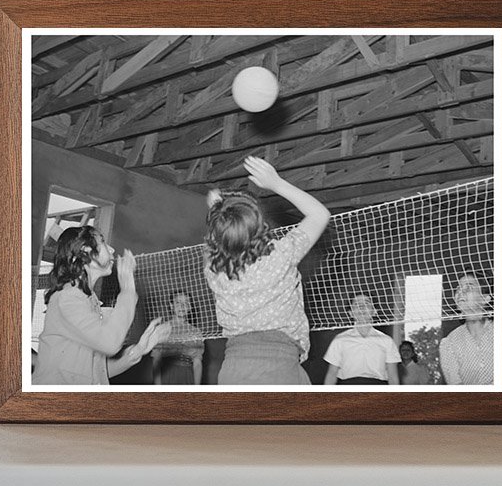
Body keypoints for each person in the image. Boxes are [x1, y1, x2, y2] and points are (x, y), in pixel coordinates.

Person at [203, 156, 330, 385]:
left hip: (232, 367)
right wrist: (276, 183)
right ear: (260, 226)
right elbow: (320, 214)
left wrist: (217, 209)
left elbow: (218, 238)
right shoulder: (280, 255)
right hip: (278, 364)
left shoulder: (214, 271)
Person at [33, 226, 169, 385]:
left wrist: (138, 351)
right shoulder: (67, 298)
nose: (111, 249)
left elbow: (98, 373)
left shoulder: (90, 302)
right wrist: (128, 290)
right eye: (103, 242)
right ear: (86, 251)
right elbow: (110, 343)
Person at [322, 293, 400, 386]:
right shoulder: (340, 339)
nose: (361, 307)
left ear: (374, 311)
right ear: (350, 313)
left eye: (366, 303)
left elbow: (393, 376)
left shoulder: (387, 341)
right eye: (356, 304)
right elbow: (331, 374)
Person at [439, 274, 494, 385]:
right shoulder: (449, 343)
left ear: (485, 298)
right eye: (458, 288)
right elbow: (456, 386)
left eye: (469, 287)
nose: (461, 292)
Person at [151, 291, 204, 385]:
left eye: (186, 303)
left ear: (190, 307)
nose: (182, 306)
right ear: (171, 305)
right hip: (167, 376)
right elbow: (156, 360)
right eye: (178, 302)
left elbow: (197, 363)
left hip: (187, 376)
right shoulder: (162, 329)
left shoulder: (195, 332)